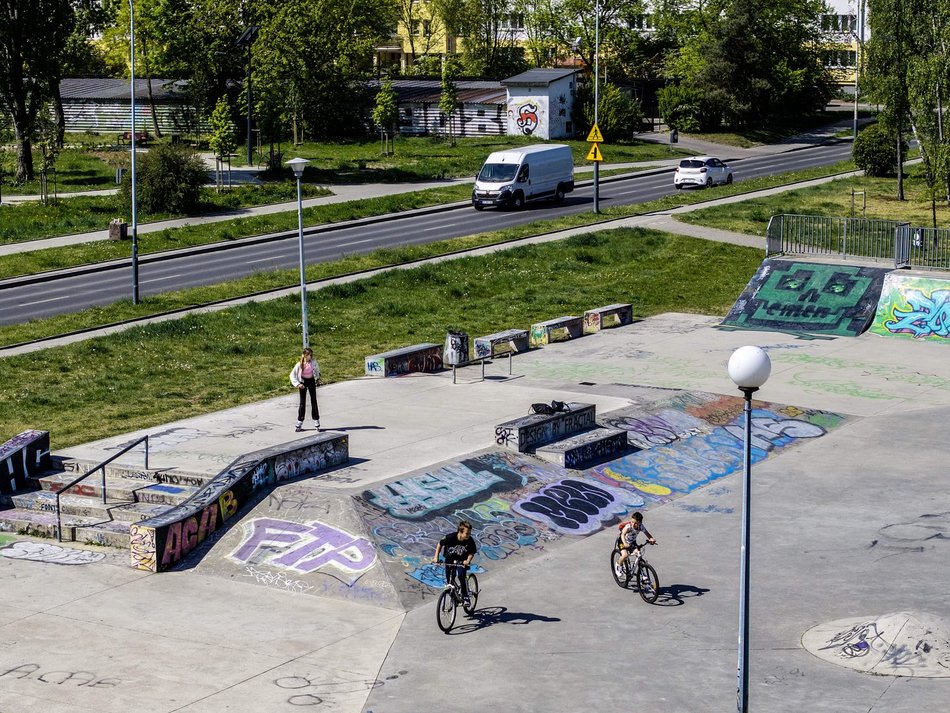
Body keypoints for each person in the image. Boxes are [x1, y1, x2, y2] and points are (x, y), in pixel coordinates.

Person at [432, 521, 477, 606]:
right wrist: (436, 557)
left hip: (462, 560)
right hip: (449, 559)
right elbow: (439, 544)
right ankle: (453, 595)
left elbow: (472, 552)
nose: (469, 535)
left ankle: (465, 595)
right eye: (467, 533)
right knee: (449, 580)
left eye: (469, 533)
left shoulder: (470, 540)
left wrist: (467, 560)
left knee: (461, 575)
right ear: (460, 531)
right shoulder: (450, 537)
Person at [289, 347, 320, 432]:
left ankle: (316, 420)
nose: (311, 356)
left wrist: (317, 378)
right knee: (302, 403)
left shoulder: (313, 362)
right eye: (309, 355)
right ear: (305, 355)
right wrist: (298, 384)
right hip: (303, 382)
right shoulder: (299, 364)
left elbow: (317, 370)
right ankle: (300, 421)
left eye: (311, 355)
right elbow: (292, 375)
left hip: (311, 381)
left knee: (314, 401)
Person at [615, 511, 656, 576]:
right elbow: (622, 534)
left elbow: (647, 534)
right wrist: (625, 543)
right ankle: (618, 565)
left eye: (636, 523)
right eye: (632, 522)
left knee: (639, 554)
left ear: (640, 523)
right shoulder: (628, 526)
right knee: (625, 555)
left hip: (632, 542)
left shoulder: (641, 526)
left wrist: (651, 539)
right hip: (622, 541)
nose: (633, 524)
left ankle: (642, 573)